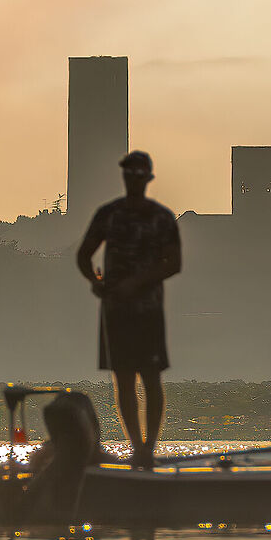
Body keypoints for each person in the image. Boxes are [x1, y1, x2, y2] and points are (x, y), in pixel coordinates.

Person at [75, 150, 183, 469]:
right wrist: (95, 280)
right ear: (124, 177)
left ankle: (149, 447)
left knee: (151, 377)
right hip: (116, 310)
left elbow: (174, 263)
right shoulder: (109, 214)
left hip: (148, 309)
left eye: (139, 175)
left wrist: (138, 282)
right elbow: (84, 255)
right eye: (129, 175)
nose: (134, 180)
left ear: (147, 179)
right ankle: (137, 446)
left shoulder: (161, 218)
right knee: (123, 379)